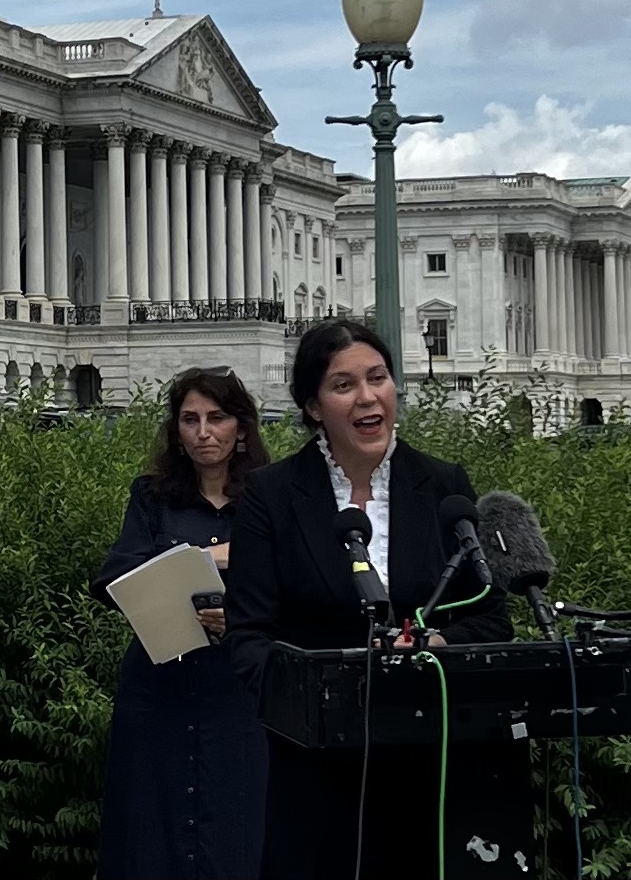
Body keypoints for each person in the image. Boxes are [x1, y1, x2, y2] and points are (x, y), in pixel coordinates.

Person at [225, 319, 525, 880]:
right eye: (344, 385)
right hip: (316, 768)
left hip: (430, 761)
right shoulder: (271, 495)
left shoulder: (443, 485)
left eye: (378, 378)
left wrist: (437, 641)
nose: (367, 398)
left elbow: (490, 619)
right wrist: (312, 700)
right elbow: (248, 638)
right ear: (313, 406)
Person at [90, 367, 271, 880]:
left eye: (216, 418)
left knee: (235, 831)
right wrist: (209, 558)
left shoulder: (267, 499)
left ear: (240, 427)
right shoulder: (152, 496)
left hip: (236, 690)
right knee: (149, 833)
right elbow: (113, 577)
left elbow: (295, 583)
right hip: (159, 685)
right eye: (189, 420)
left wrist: (239, 609)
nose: (203, 432)